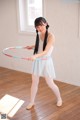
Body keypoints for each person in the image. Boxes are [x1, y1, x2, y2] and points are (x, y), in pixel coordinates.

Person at [26, 17, 62, 110]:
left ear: (46, 24)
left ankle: (59, 98)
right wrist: (32, 46)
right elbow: (42, 44)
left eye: (41, 25)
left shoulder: (51, 36)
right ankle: (31, 102)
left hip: (46, 61)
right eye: (37, 27)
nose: (39, 28)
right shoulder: (40, 35)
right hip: (38, 61)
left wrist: (35, 56)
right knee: (34, 82)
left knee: (50, 83)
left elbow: (46, 51)